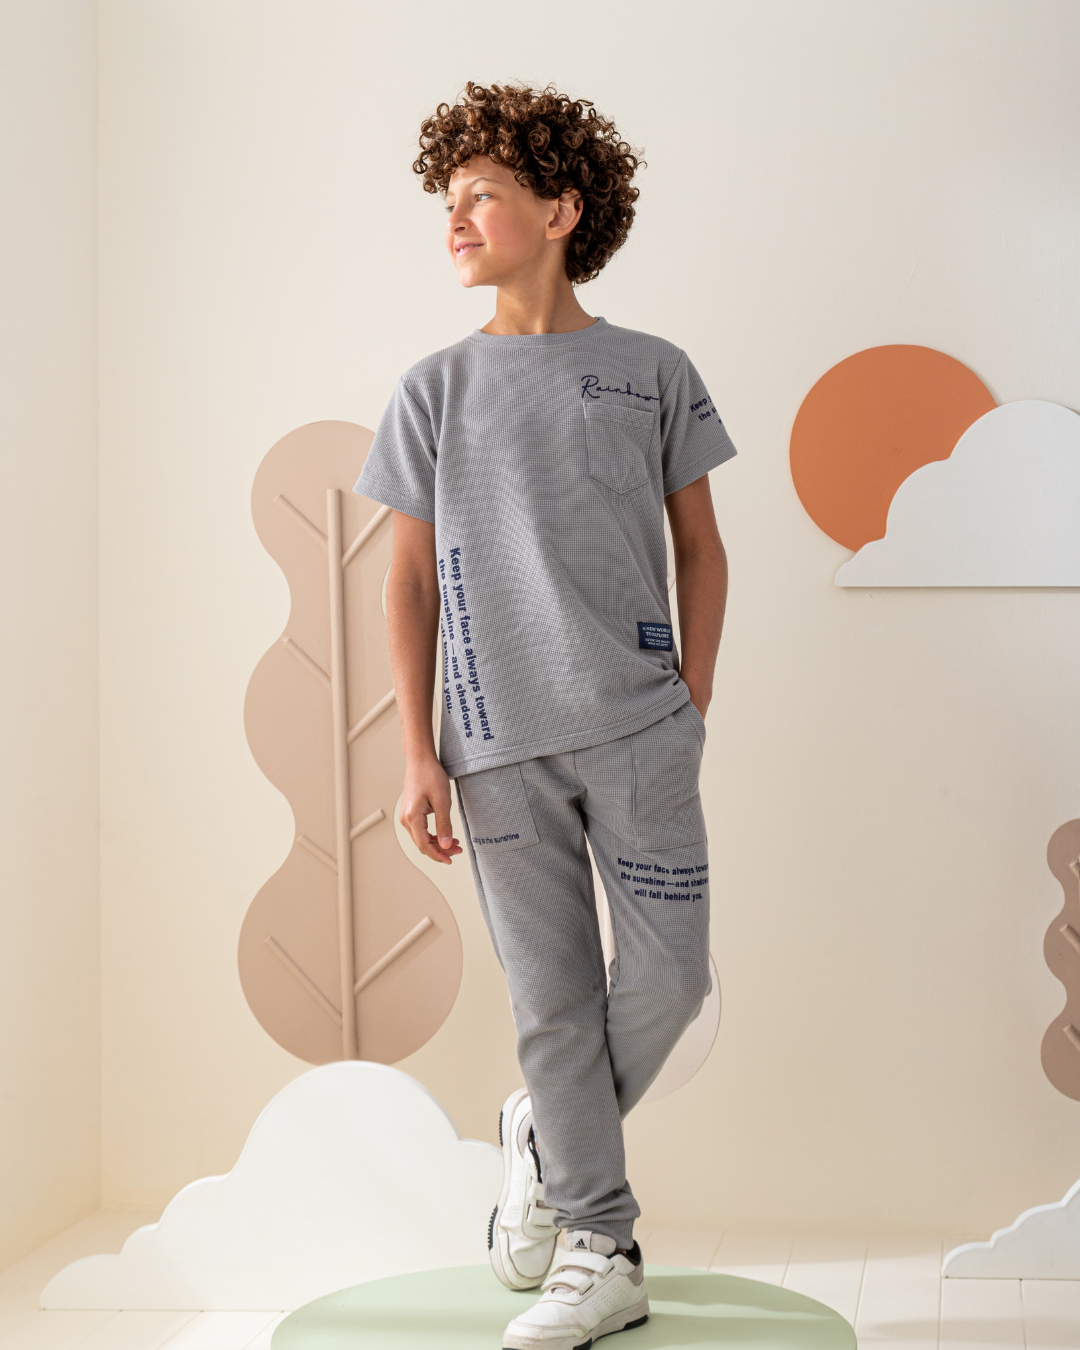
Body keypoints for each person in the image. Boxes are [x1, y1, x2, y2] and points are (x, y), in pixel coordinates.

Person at [354, 81, 735, 1350]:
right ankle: (600, 1246)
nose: (455, 219)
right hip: (494, 750)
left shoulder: (653, 372)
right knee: (554, 1005)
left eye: (483, 195)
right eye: (447, 200)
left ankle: (545, 1132)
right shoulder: (433, 389)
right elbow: (407, 583)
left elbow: (703, 549)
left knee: (670, 979)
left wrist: (691, 699)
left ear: (562, 210)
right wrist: (417, 751)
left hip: (640, 732)